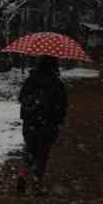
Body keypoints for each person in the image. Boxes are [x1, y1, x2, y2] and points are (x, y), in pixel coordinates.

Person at [17, 56, 67, 194]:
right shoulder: (57, 83)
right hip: (48, 123)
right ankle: (36, 181)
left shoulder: (30, 80)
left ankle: (23, 173)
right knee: (42, 153)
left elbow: (21, 98)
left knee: (30, 149)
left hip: (30, 122)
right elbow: (62, 105)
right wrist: (58, 119)